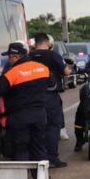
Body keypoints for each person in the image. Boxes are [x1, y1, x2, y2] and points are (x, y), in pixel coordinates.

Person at [0, 42, 50, 166]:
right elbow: (51, 85)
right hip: (40, 114)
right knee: (39, 147)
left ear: (15, 56)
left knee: (21, 148)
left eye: (9, 56)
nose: (8, 59)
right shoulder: (42, 68)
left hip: (19, 116)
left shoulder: (12, 73)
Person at [30, 33, 69, 168]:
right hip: (50, 95)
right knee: (53, 126)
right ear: (48, 43)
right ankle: (52, 158)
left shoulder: (29, 56)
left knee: (36, 126)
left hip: (32, 96)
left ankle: (37, 157)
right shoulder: (53, 55)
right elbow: (66, 72)